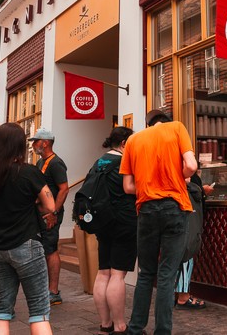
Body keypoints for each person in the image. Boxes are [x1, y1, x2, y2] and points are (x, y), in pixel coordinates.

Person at [121, 109, 198, 335]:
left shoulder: (134, 140)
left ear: (148, 124)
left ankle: (135, 328)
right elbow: (191, 166)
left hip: (146, 209)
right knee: (167, 274)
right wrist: (179, 176)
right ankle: (162, 331)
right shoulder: (176, 128)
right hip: (174, 207)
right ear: (165, 121)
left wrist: (149, 186)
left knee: (146, 272)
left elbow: (128, 187)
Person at [0, 122, 55, 335]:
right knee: (39, 310)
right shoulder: (29, 172)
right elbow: (50, 205)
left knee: (2, 309)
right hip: (27, 245)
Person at [91, 126, 136, 335]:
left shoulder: (99, 162)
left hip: (102, 222)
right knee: (117, 275)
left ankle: (105, 323)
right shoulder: (124, 162)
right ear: (125, 143)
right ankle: (120, 325)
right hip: (123, 222)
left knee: (103, 273)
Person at [30, 128, 69, 306]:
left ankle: (54, 292)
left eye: (36, 141)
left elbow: (64, 188)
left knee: (51, 249)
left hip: (50, 214)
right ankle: (45, 289)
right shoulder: (40, 162)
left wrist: (54, 212)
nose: (33, 144)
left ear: (45, 142)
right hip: (40, 213)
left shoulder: (56, 163)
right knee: (44, 249)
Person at [174, 174, 213, 310]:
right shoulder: (182, 162)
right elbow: (185, 184)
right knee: (187, 251)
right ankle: (183, 297)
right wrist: (202, 191)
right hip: (186, 211)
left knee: (178, 252)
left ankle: (176, 293)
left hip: (173, 213)